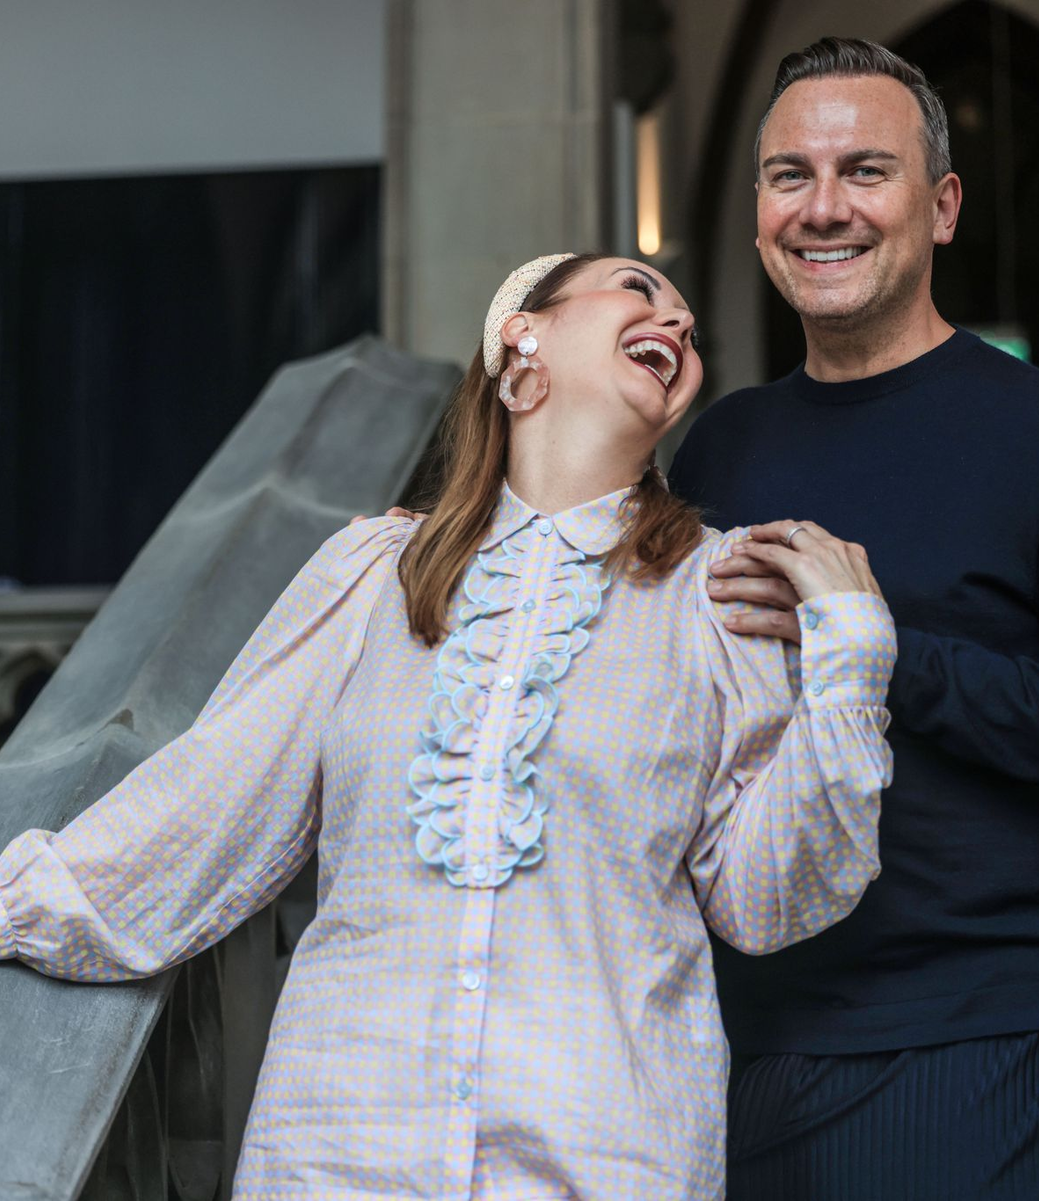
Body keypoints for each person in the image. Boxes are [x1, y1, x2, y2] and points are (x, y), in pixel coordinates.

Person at [0, 252, 897, 1199]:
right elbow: (206, 806)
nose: (676, 324)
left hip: (603, 1153)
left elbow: (768, 898)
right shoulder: (372, 574)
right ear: (524, 336)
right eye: (640, 290)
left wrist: (850, 661)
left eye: (688, 322)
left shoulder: (713, 596)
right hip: (341, 1149)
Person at [669, 37, 1039, 1200]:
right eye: (787, 176)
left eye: (865, 170)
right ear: (759, 209)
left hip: (974, 1027)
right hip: (740, 1030)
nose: (823, 208)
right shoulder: (720, 446)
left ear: (943, 205)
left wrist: (885, 653)